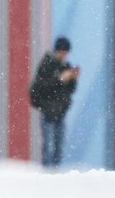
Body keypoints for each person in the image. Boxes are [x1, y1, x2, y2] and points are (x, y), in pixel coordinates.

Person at [30, 36, 80, 167]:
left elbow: (70, 90)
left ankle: (55, 171)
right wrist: (60, 79)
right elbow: (42, 85)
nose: (64, 55)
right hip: (48, 111)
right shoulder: (47, 64)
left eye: (66, 53)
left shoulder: (66, 66)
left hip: (60, 111)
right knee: (48, 145)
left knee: (58, 146)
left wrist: (73, 79)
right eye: (62, 52)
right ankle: (47, 171)